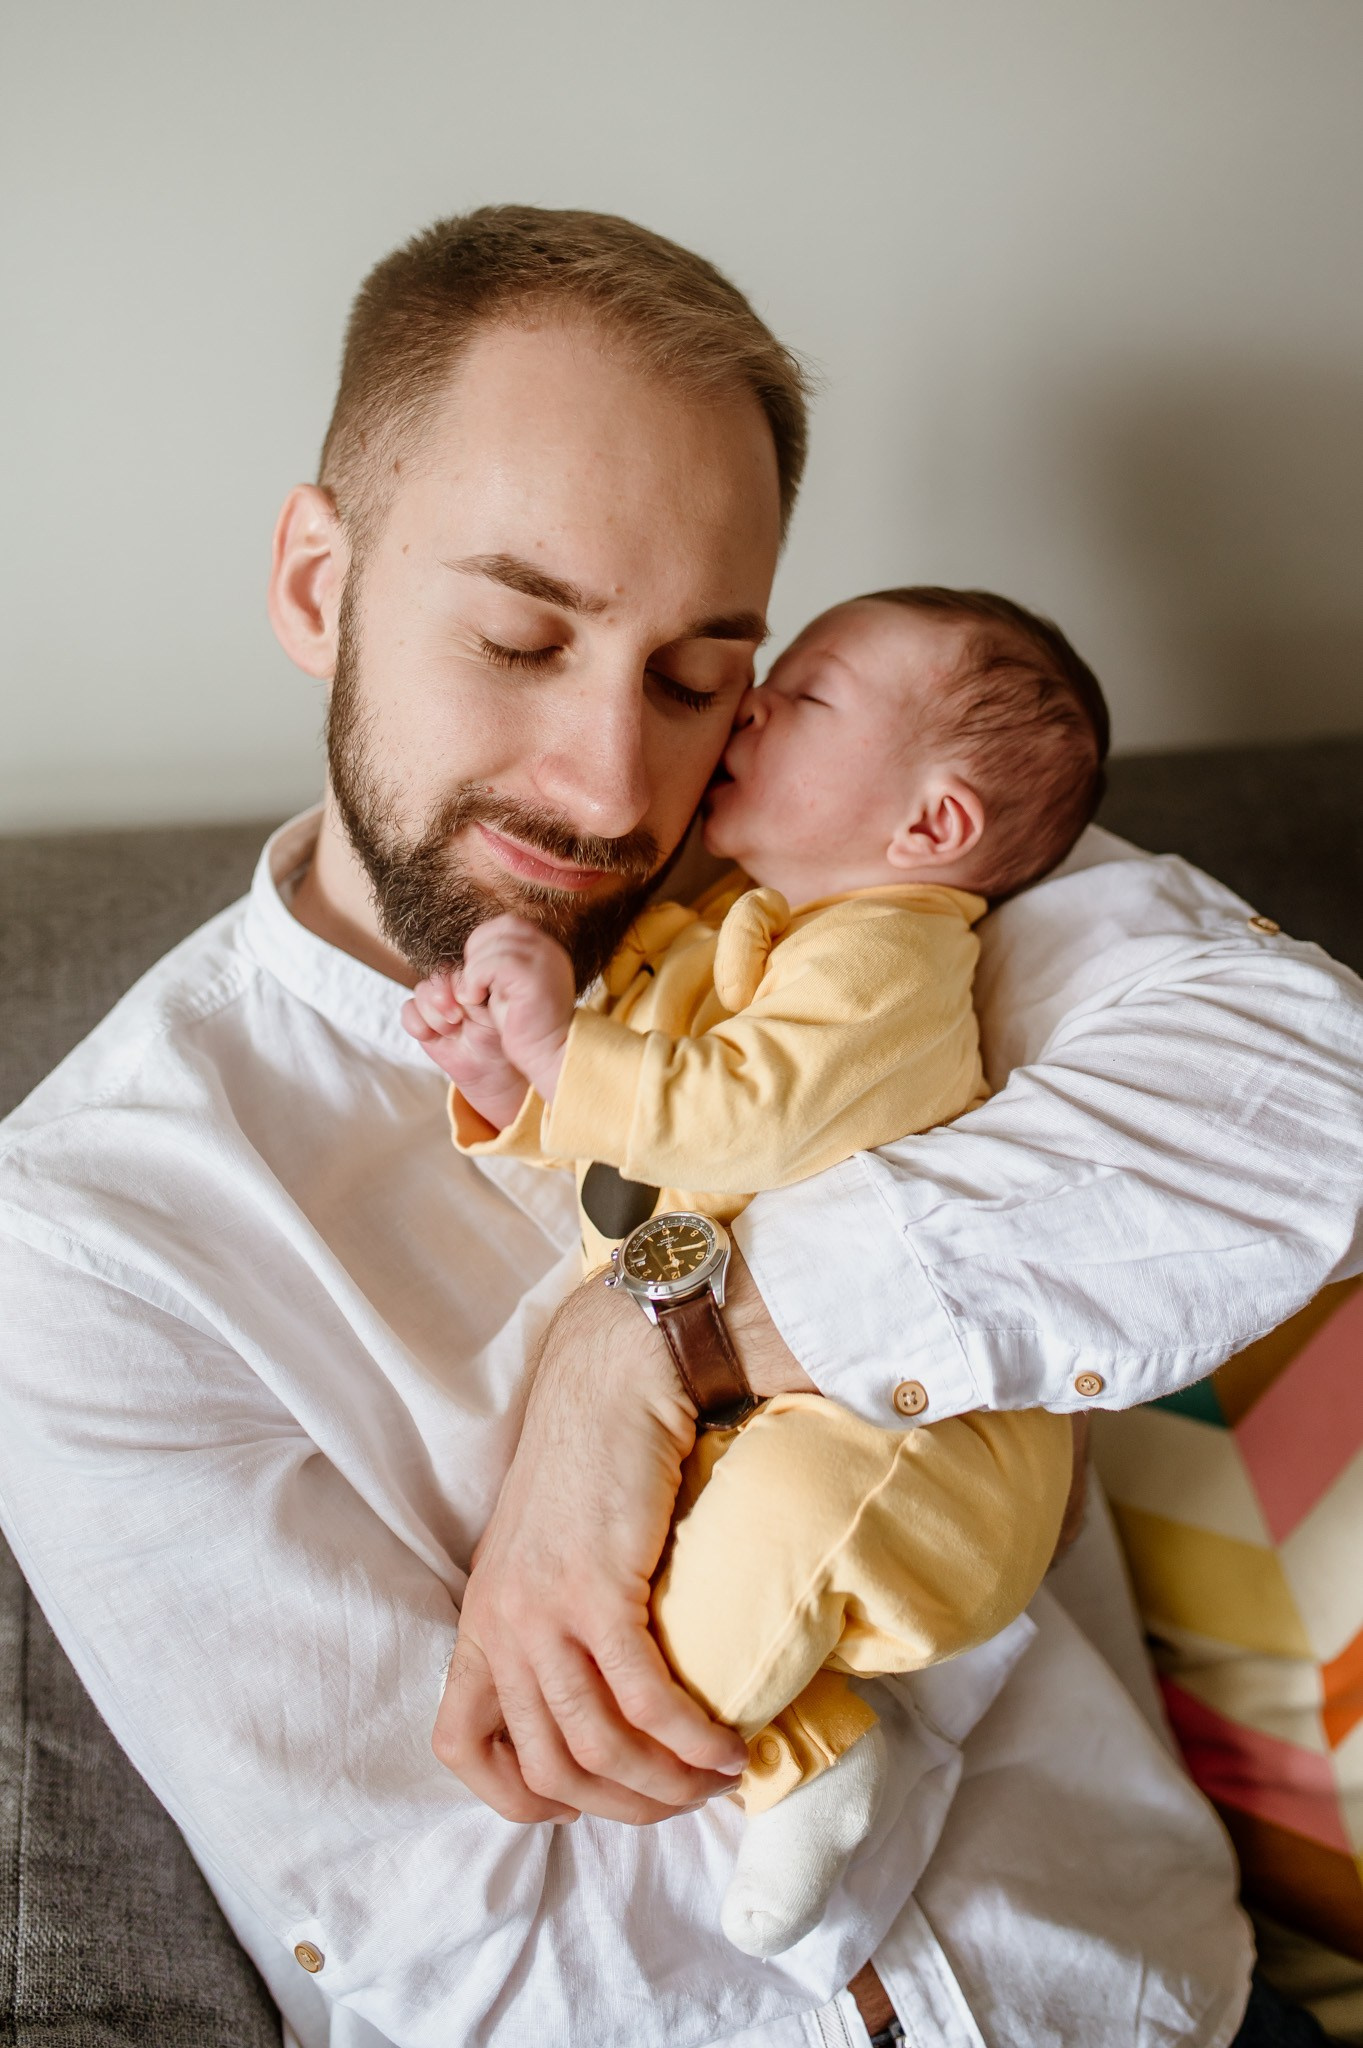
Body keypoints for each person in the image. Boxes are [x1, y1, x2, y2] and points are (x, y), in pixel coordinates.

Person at [1, 206, 1360, 2048]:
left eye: (699, 675)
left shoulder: (840, 852)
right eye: (519, 637)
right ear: (320, 586)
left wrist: (660, 1336)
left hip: (1181, 1996)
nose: (611, 786)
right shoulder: (95, 1236)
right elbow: (475, 1941)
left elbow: (1308, 1104)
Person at [403, 584, 1103, 1957]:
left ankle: (789, 1761)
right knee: (673, 1569)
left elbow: (743, 1116)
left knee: (761, 1541)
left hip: (904, 1444)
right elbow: (639, 1153)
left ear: (931, 827)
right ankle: (817, 1738)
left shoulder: (890, 953)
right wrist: (506, 1080)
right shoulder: (726, 926)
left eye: (810, 697)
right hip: (761, 1398)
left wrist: (562, 1049)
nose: (752, 708)